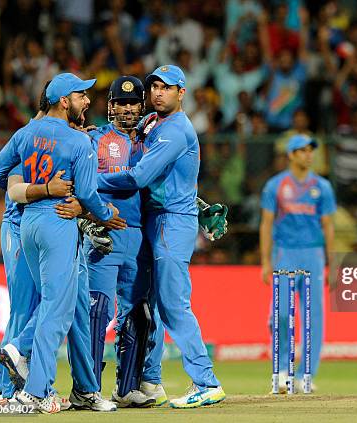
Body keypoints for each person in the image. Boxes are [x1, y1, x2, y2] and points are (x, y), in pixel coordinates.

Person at [0, 72, 120, 413]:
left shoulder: (26, 133)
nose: (88, 101)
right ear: (64, 101)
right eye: (81, 96)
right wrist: (107, 213)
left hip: (30, 221)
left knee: (64, 305)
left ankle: (83, 389)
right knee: (56, 309)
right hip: (60, 221)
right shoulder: (78, 143)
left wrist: (32, 191)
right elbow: (89, 195)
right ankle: (33, 384)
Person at [95, 65, 226, 408]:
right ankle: (147, 382)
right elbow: (168, 176)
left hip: (171, 223)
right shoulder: (152, 123)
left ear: (182, 93)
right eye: (154, 87)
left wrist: (90, 183)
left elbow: (140, 176)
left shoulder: (176, 130)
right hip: (155, 219)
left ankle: (206, 381)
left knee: (172, 303)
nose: (157, 93)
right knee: (146, 305)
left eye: (166, 88)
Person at [84, 75, 166, 408]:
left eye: (133, 103)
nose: (128, 109)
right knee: (97, 312)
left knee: (138, 314)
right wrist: (91, 219)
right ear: (111, 106)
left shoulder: (152, 141)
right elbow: (81, 182)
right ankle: (87, 388)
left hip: (140, 237)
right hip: (106, 234)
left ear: (142, 105)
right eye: (121, 103)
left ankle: (127, 386)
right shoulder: (96, 139)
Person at [260, 134, 336, 390]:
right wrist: (265, 261)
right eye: (302, 151)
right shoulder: (275, 186)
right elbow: (267, 224)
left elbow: (328, 226)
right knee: (281, 314)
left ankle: (306, 375)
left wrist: (332, 263)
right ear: (291, 155)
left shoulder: (322, 187)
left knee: (313, 317)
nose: (308, 155)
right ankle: (282, 370)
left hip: (313, 254)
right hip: (285, 253)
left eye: (310, 150)